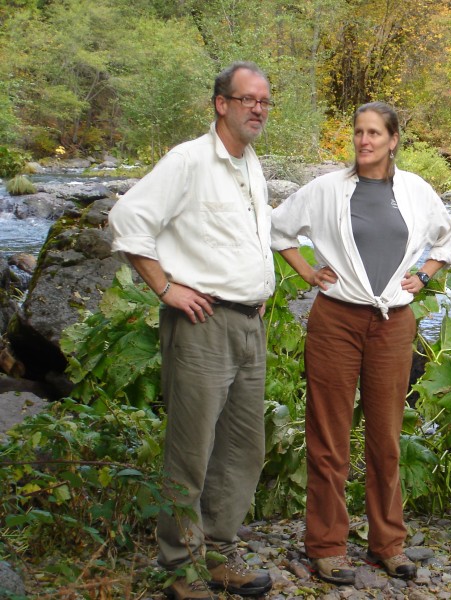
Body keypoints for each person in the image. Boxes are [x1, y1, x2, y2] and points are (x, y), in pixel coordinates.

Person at [270, 101, 451, 585]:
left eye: (375, 133)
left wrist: (425, 273)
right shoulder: (327, 190)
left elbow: (446, 238)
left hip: (393, 324)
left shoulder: (415, 191)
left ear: (394, 140)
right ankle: (328, 546)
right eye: (358, 132)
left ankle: (387, 544)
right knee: (329, 436)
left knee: (386, 438)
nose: (364, 141)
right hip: (336, 320)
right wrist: (308, 271)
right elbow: (279, 229)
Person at [108, 62, 275, 600]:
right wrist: (165, 288)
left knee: (241, 447)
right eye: (247, 99)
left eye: (264, 101)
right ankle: (181, 568)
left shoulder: (250, 164)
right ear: (220, 104)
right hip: (202, 322)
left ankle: (221, 553)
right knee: (191, 450)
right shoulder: (188, 160)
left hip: (249, 324)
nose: (257, 108)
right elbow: (128, 219)